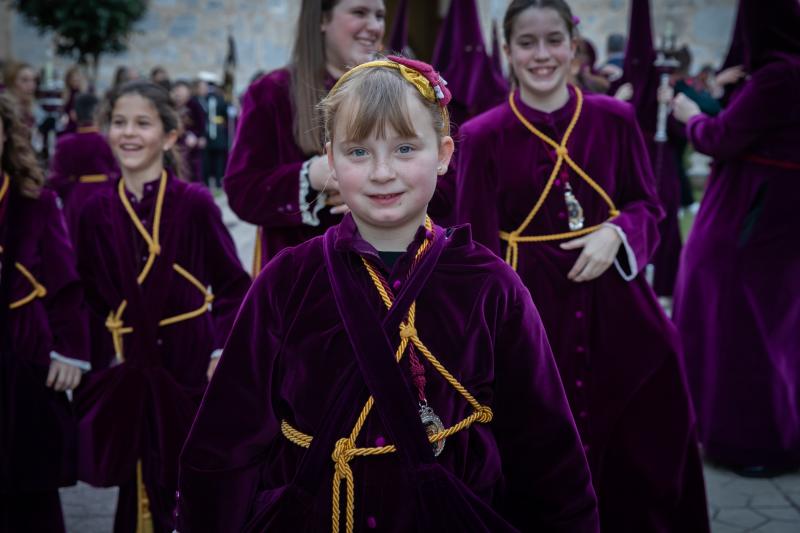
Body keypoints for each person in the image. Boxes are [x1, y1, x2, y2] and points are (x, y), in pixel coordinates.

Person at [177, 56, 600, 533]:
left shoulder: (491, 285)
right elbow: (225, 441)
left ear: (442, 154)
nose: (382, 172)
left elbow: (546, 448)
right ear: (330, 160)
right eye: (358, 152)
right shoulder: (286, 281)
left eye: (404, 148)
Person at [455, 1, 709, 531]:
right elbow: (474, 246)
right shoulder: (481, 135)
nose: (542, 54)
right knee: (544, 440)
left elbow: (647, 204)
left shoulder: (613, 119)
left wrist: (617, 232)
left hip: (617, 304)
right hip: (531, 309)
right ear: (507, 51)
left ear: (573, 45)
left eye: (553, 40)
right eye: (527, 42)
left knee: (643, 433)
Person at [73, 80, 250, 533]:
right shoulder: (93, 209)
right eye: (118, 122)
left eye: (142, 123)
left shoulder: (194, 203)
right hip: (129, 365)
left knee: (189, 481)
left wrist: (218, 351)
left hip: (187, 365)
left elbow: (234, 285)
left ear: (169, 136)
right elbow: (86, 295)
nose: (128, 133)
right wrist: (97, 356)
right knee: (136, 483)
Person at [671, 0, 800, 477]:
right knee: (775, 330)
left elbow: (722, 139)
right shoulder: (777, 76)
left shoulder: (778, 77)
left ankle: (753, 442)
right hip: (775, 221)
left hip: (752, 221)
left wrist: (690, 114)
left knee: (740, 331)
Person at [224, 0, 386, 274]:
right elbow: (243, 191)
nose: (374, 27)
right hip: (302, 280)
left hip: (387, 274)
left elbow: (446, 183)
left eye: (380, 16)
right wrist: (311, 175)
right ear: (322, 20)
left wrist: (381, 197)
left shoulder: (401, 91)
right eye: (359, 13)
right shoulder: (272, 92)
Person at [0, 92, 90, 532]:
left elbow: (65, 283)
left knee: (29, 490)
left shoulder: (35, 203)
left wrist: (69, 350)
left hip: (23, 362)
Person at [47, 92, 118, 240]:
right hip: (107, 194)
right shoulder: (108, 141)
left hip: (76, 198)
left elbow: (57, 179)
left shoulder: (65, 143)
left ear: (73, 115)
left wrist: (73, 185)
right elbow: (118, 171)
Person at [171, 80, 207, 183]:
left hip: (192, 142)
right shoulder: (172, 106)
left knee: (194, 168)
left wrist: (200, 136)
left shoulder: (194, 105)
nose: (179, 95)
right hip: (176, 141)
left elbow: (202, 123)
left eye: (182, 92)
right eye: (177, 92)